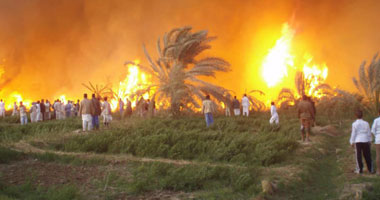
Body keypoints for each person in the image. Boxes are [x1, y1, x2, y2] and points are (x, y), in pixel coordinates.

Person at [350, 110, 373, 174]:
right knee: (367, 155)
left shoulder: (354, 124)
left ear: (355, 116)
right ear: (362, 115)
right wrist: (370, 140)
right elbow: (369, 132)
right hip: (365, 140)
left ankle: (360, 170)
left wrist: (352, 141)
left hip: (358, 140)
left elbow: (353, 133)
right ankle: (370, 169)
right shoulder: (366, 123)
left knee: (358, 156)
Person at [371, 109, 380, 175]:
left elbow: (373, 131)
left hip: (378, 140)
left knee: (378, 155)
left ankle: (378, 171)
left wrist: (376, 136)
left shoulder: (376, 120)